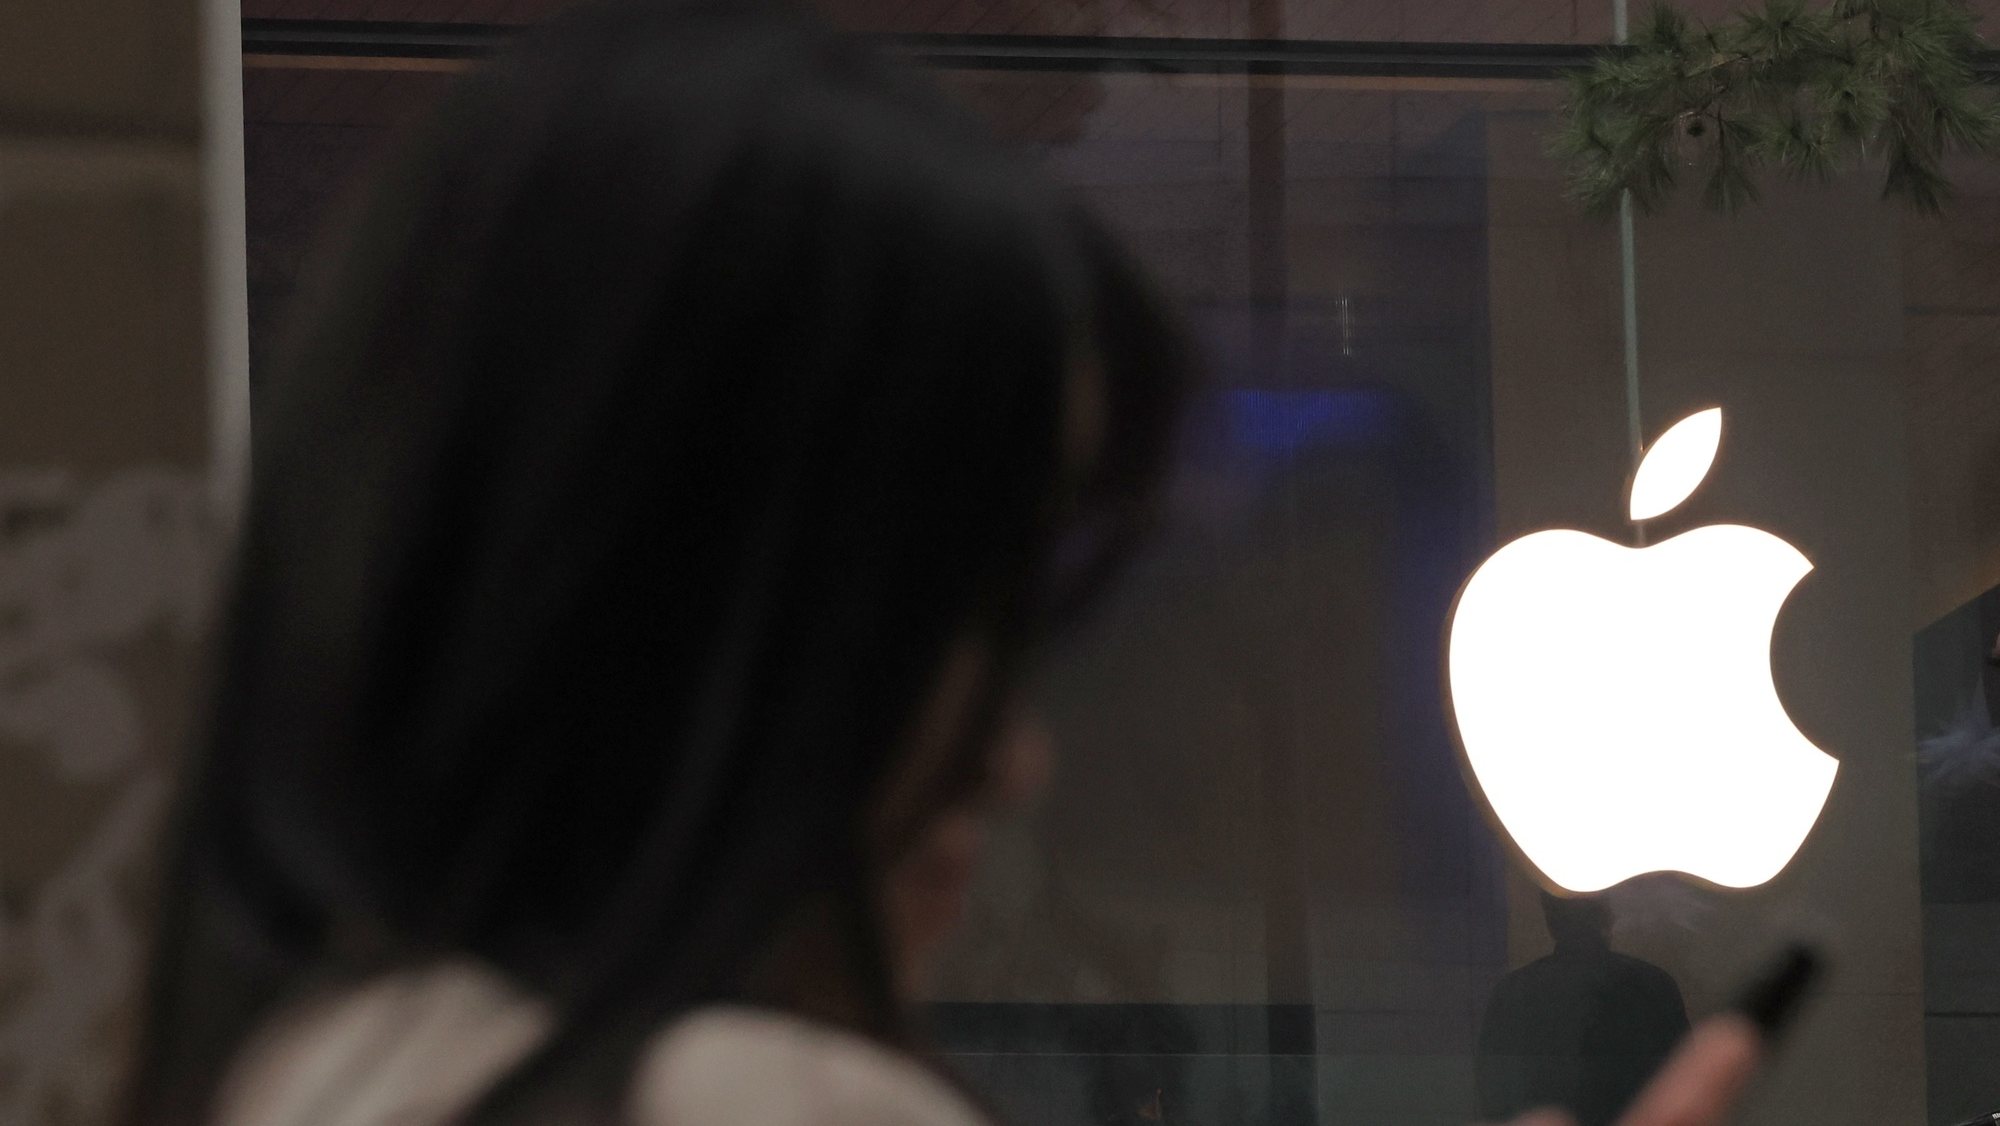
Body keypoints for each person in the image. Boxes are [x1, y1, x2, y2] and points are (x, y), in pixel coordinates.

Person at [118, 1, 1780, 1123]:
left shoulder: (330, 1069)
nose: (1015, 753)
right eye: (946, 617)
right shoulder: (747, 1100)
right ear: (679, 611)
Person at [1477, 894, 1691, 1126]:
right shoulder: (1652, 984)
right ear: (1607, 914)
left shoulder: (1515, 990)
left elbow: (1493, 1096)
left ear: (1551, 918)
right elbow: (1685, 1084)